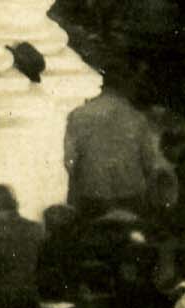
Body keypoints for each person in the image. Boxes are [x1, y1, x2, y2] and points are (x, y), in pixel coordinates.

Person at [63, 70, 178, 214]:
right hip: (129, 198)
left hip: (90, 195)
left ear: (103, 85)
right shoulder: (137, 118)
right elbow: (148, 162)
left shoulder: (78, 115)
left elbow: (70, 161)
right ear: (126, 86)